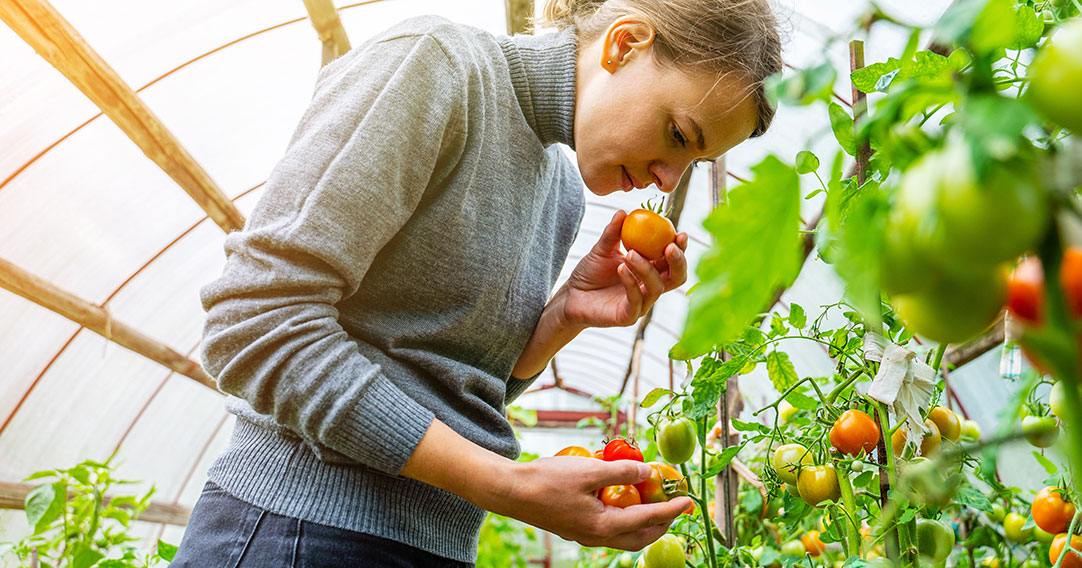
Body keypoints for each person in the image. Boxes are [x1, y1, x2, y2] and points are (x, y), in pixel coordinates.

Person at [170, 0, 782, 565]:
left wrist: (564, 316)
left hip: (430, 543)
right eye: (679, 134)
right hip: (297, 528)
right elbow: (253, 324)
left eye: (692, 164)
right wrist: (508, 485)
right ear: (623, 45)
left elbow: (443, 384)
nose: (667, 180)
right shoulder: (437, 67)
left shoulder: (561, 189)